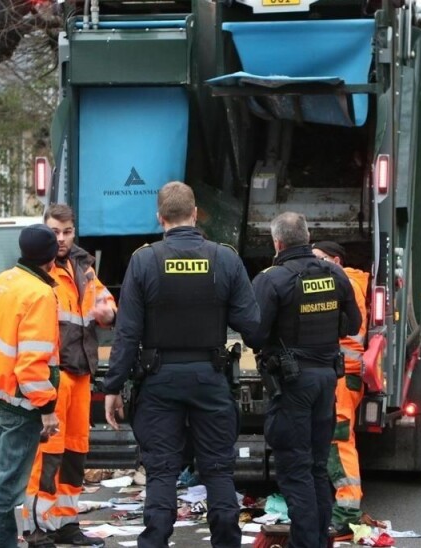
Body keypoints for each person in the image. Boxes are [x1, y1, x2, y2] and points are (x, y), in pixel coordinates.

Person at [103, 181, 260, 548]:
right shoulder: (224, 258)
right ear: (195, 214)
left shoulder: (144, 260)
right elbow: (252, 326)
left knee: (161, 472)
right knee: (219, 471)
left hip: (158, 381)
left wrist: (112, 386)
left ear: (160, 217)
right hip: (210, 377)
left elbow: (127, 333)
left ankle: (155, 541)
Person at [245, 213, 362, 548]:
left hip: (293, 384)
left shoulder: (272, 280)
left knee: (295, 469)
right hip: (327, 380)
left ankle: (306, 543)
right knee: (315, 467)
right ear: (308, 237)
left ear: (277, 243)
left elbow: (255, 333)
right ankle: (317, 541)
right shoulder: (335, 274)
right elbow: (352, 325)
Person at [23, 204, 117, 547]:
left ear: (74, 232)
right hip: (53, 374)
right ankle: (36, 527)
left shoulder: (84, 267)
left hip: (79, 374)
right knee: (47, 453)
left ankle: (65, 522)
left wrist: (109, 311)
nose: (61, 239)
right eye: (54, 233)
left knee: (75, 451)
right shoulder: (38, 271)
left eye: (66, 232)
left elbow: (105, 302)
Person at [0, 224, 62, 548]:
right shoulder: (39, 294)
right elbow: (32, 363)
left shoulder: (2, 282)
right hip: (20, 405)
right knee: (8, 489)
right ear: (52, 258)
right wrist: (48, 409)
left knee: (3, 481)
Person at [311, 241, 370, 537]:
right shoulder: (349, 281)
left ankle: (347, 511)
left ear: (335, 259)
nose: (314, 264)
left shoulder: (343, 283)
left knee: (338, 442)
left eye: (319, 259)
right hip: (342, 376)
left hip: (342, 376)